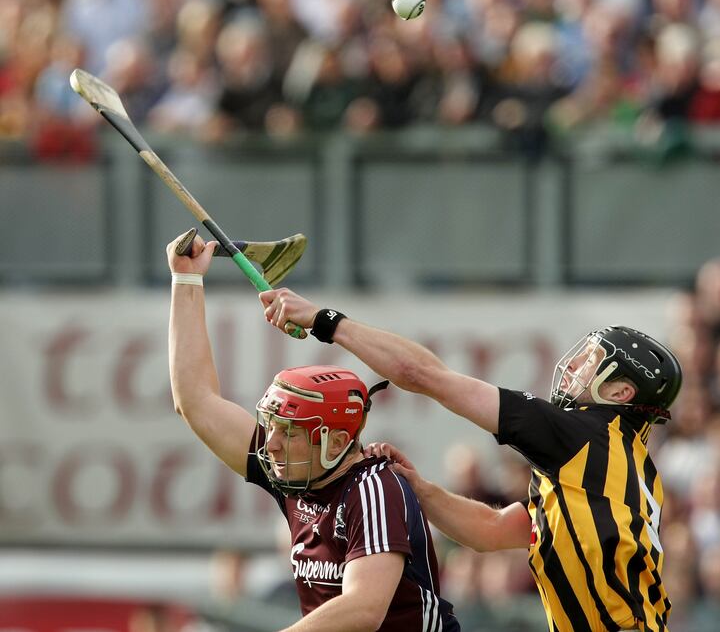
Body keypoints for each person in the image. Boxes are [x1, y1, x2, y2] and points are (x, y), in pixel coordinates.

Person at [259, 289, 683, 632]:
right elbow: (492, 531)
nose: (573, 365)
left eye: (591, 362)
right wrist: (420, 489)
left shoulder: (583, 437)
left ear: (620, 393)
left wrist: (327, 322)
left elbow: (422, 375)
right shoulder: (608, 465)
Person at [166, 232, 460, 632]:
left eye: (288, 432)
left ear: (336, 442)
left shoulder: (374, 488)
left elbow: (363, 609)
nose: (270, 444)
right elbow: (195, 401)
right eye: (271, 428)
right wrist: (186, 281)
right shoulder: (293, 473)